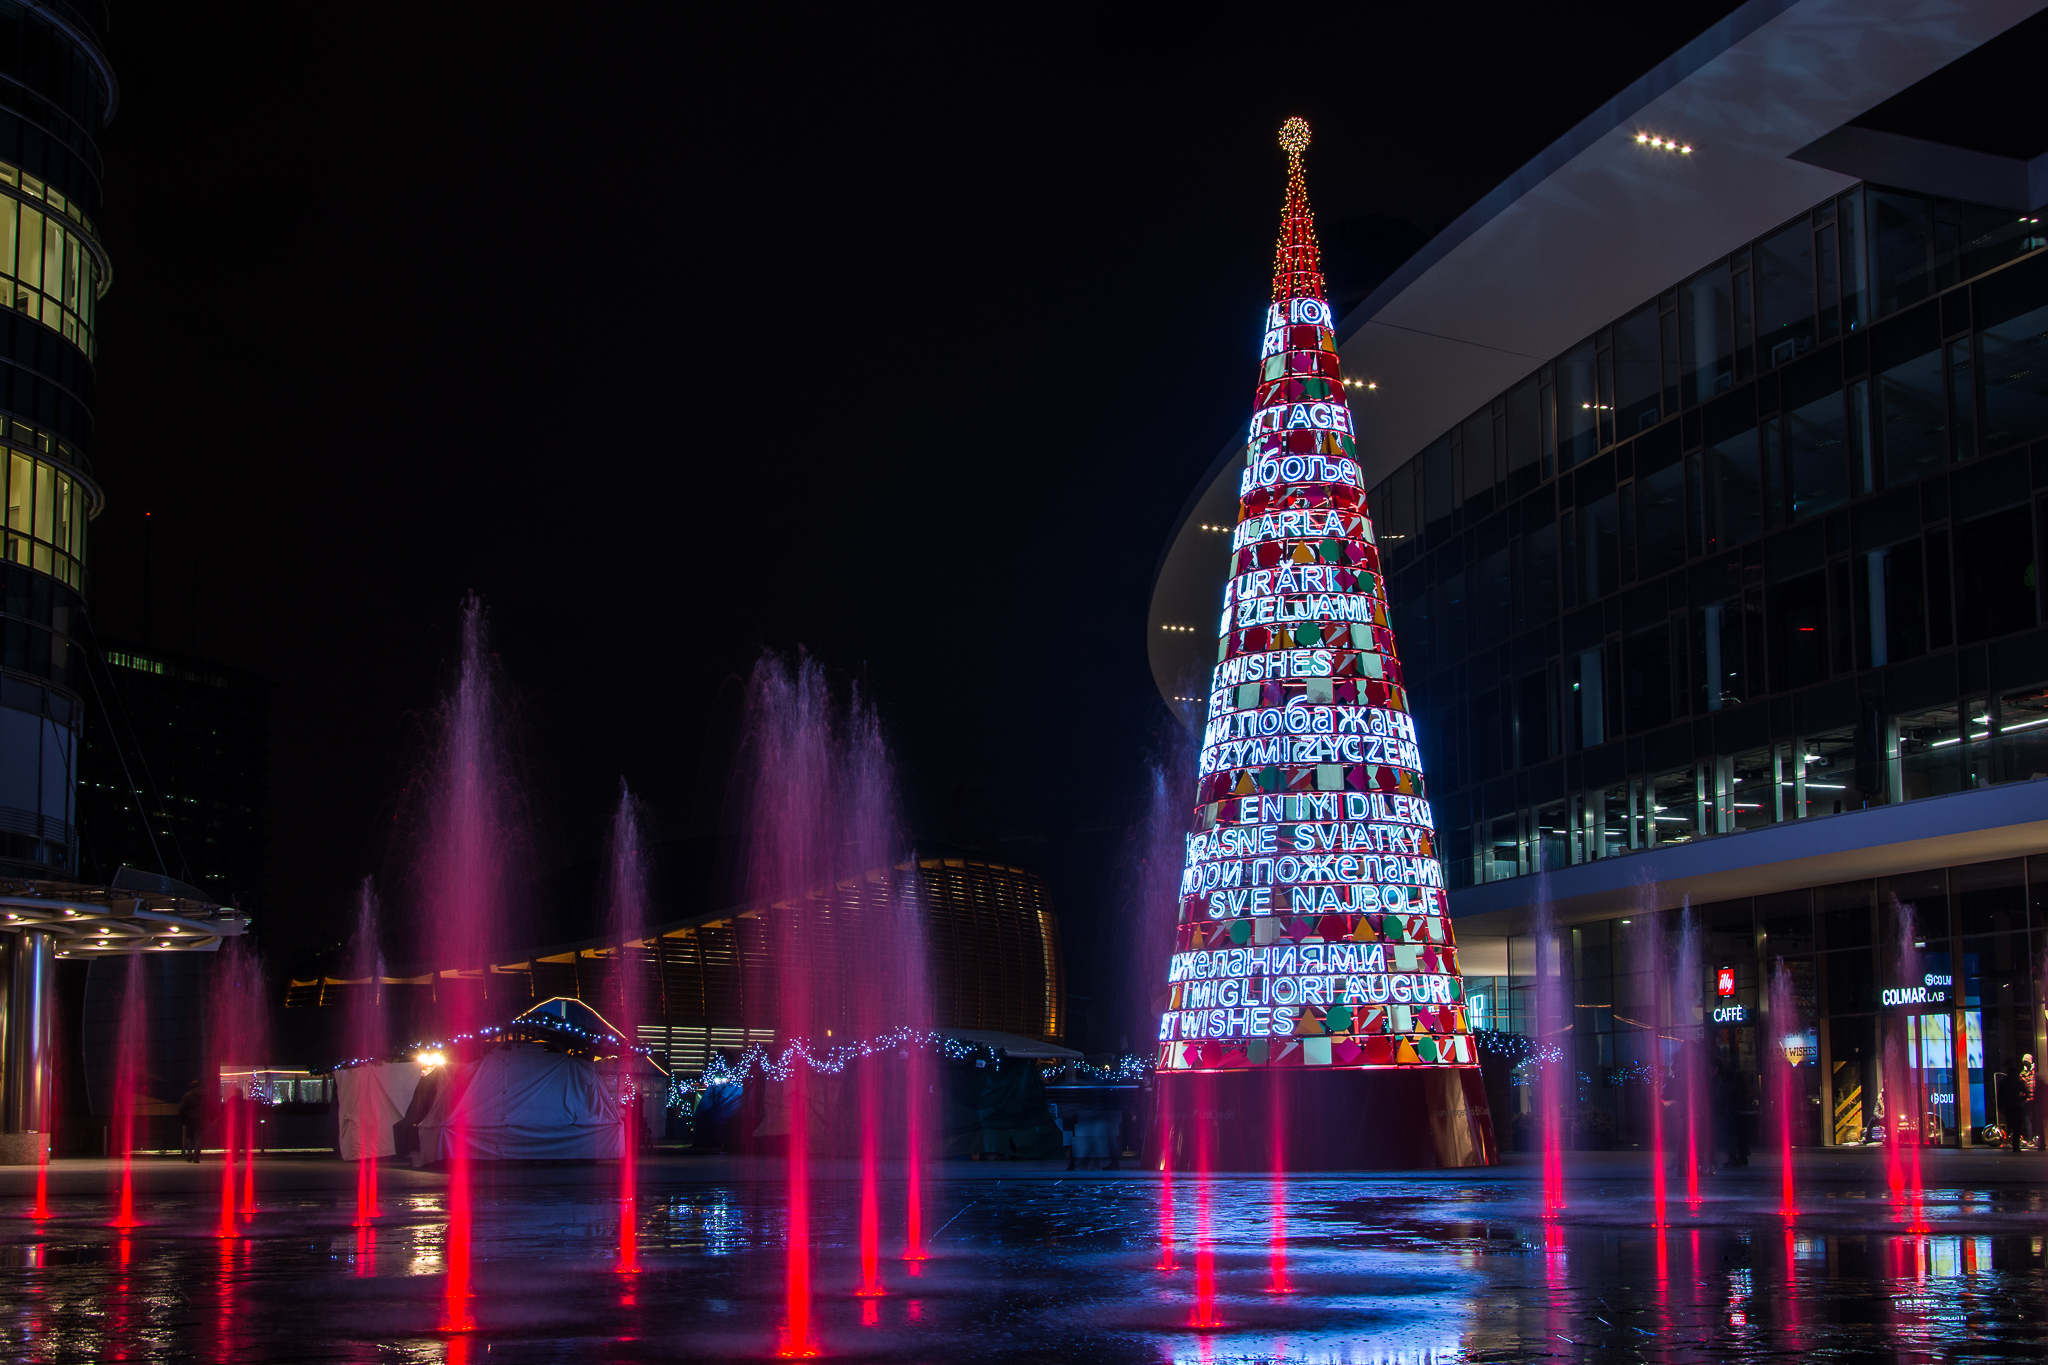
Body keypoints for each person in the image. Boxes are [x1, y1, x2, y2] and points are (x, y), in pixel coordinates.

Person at [177, 1079, 206, 1163]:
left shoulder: (187, 1096)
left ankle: (190, 1150)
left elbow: (181, 1108)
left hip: (189, 1119)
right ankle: (196, 1156)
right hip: (200, 1119)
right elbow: (207, 1107)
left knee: (188, 1137)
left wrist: (183, 1117)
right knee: (199, 1137)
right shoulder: (203, 1095)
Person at [2017, 1054, 2037, 1153]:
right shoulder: (2023, 1073)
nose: (2025, 1063)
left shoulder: (2034, 1073)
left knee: (2034, 1118)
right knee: (2026, 1118)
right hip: (2027, 1100)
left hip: (2035, 1099)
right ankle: (2029, 1138)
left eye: (2026, 1061)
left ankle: (2035, 1138)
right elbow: (2021, 1086)